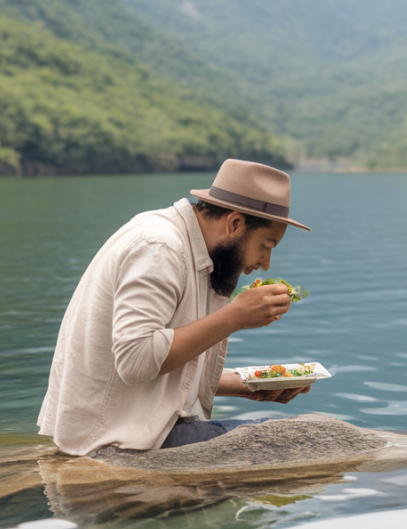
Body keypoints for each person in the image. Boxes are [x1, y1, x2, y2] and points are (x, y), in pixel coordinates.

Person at [37, 159, 312, 455]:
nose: (265, 264)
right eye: (266, 246)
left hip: (139, 425)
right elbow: (136, 359)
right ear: (234, 224)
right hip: (112, 437)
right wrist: (234, 317)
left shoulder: (192, 249)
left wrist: (246, 385)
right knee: (302, 441)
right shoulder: (160, 248)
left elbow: (157, 366)